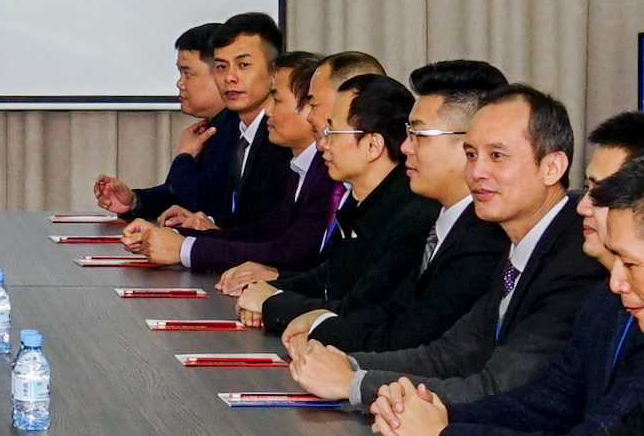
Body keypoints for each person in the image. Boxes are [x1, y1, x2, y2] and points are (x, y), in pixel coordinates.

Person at [370, 117, 644, 436]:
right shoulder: (605, 299)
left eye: (603, 193)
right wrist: (439, 418)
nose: (582, 205)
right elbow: (542, 404)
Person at [288, 83, 591, 409]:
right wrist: (351, 364)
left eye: (497, 156)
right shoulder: (521, 242)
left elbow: (499, 389)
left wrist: (353, 383)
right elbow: (450, 354)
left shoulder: (576, 261)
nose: (476, 171)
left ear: (552, 167)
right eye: (471, 154)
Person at [272, 65, 507, 366]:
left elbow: (416, 335)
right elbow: (393, 308)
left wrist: (321, 331)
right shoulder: (445, 222)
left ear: (468, 144)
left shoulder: (482, 236)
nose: (405, 147)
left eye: (419, 134)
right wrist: (319, 321)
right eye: (408, 134)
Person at [219, 65, 407, 330]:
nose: (322, 144)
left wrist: (273, 303)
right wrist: (267, 288)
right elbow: (328, 277)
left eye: (332, 133)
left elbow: (361, 308)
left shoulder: (410, 219)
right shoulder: (360, 202)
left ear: (373, 145)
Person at [129, 46, 331, 278]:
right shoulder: (302, 166)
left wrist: (185, 249)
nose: (268, 111)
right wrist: (178, 237)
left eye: (276, 100)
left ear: (311, 109)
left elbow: (291, 253)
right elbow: (263, 233)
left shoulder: (325, 172)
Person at [90, 21, 231, 221]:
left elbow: (199, 204)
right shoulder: (213, 127)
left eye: (188, 74)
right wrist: (134, 201)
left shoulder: (237, 131)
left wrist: (184, 156)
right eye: (180, 73)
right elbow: (176, 194)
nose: (180, 83)